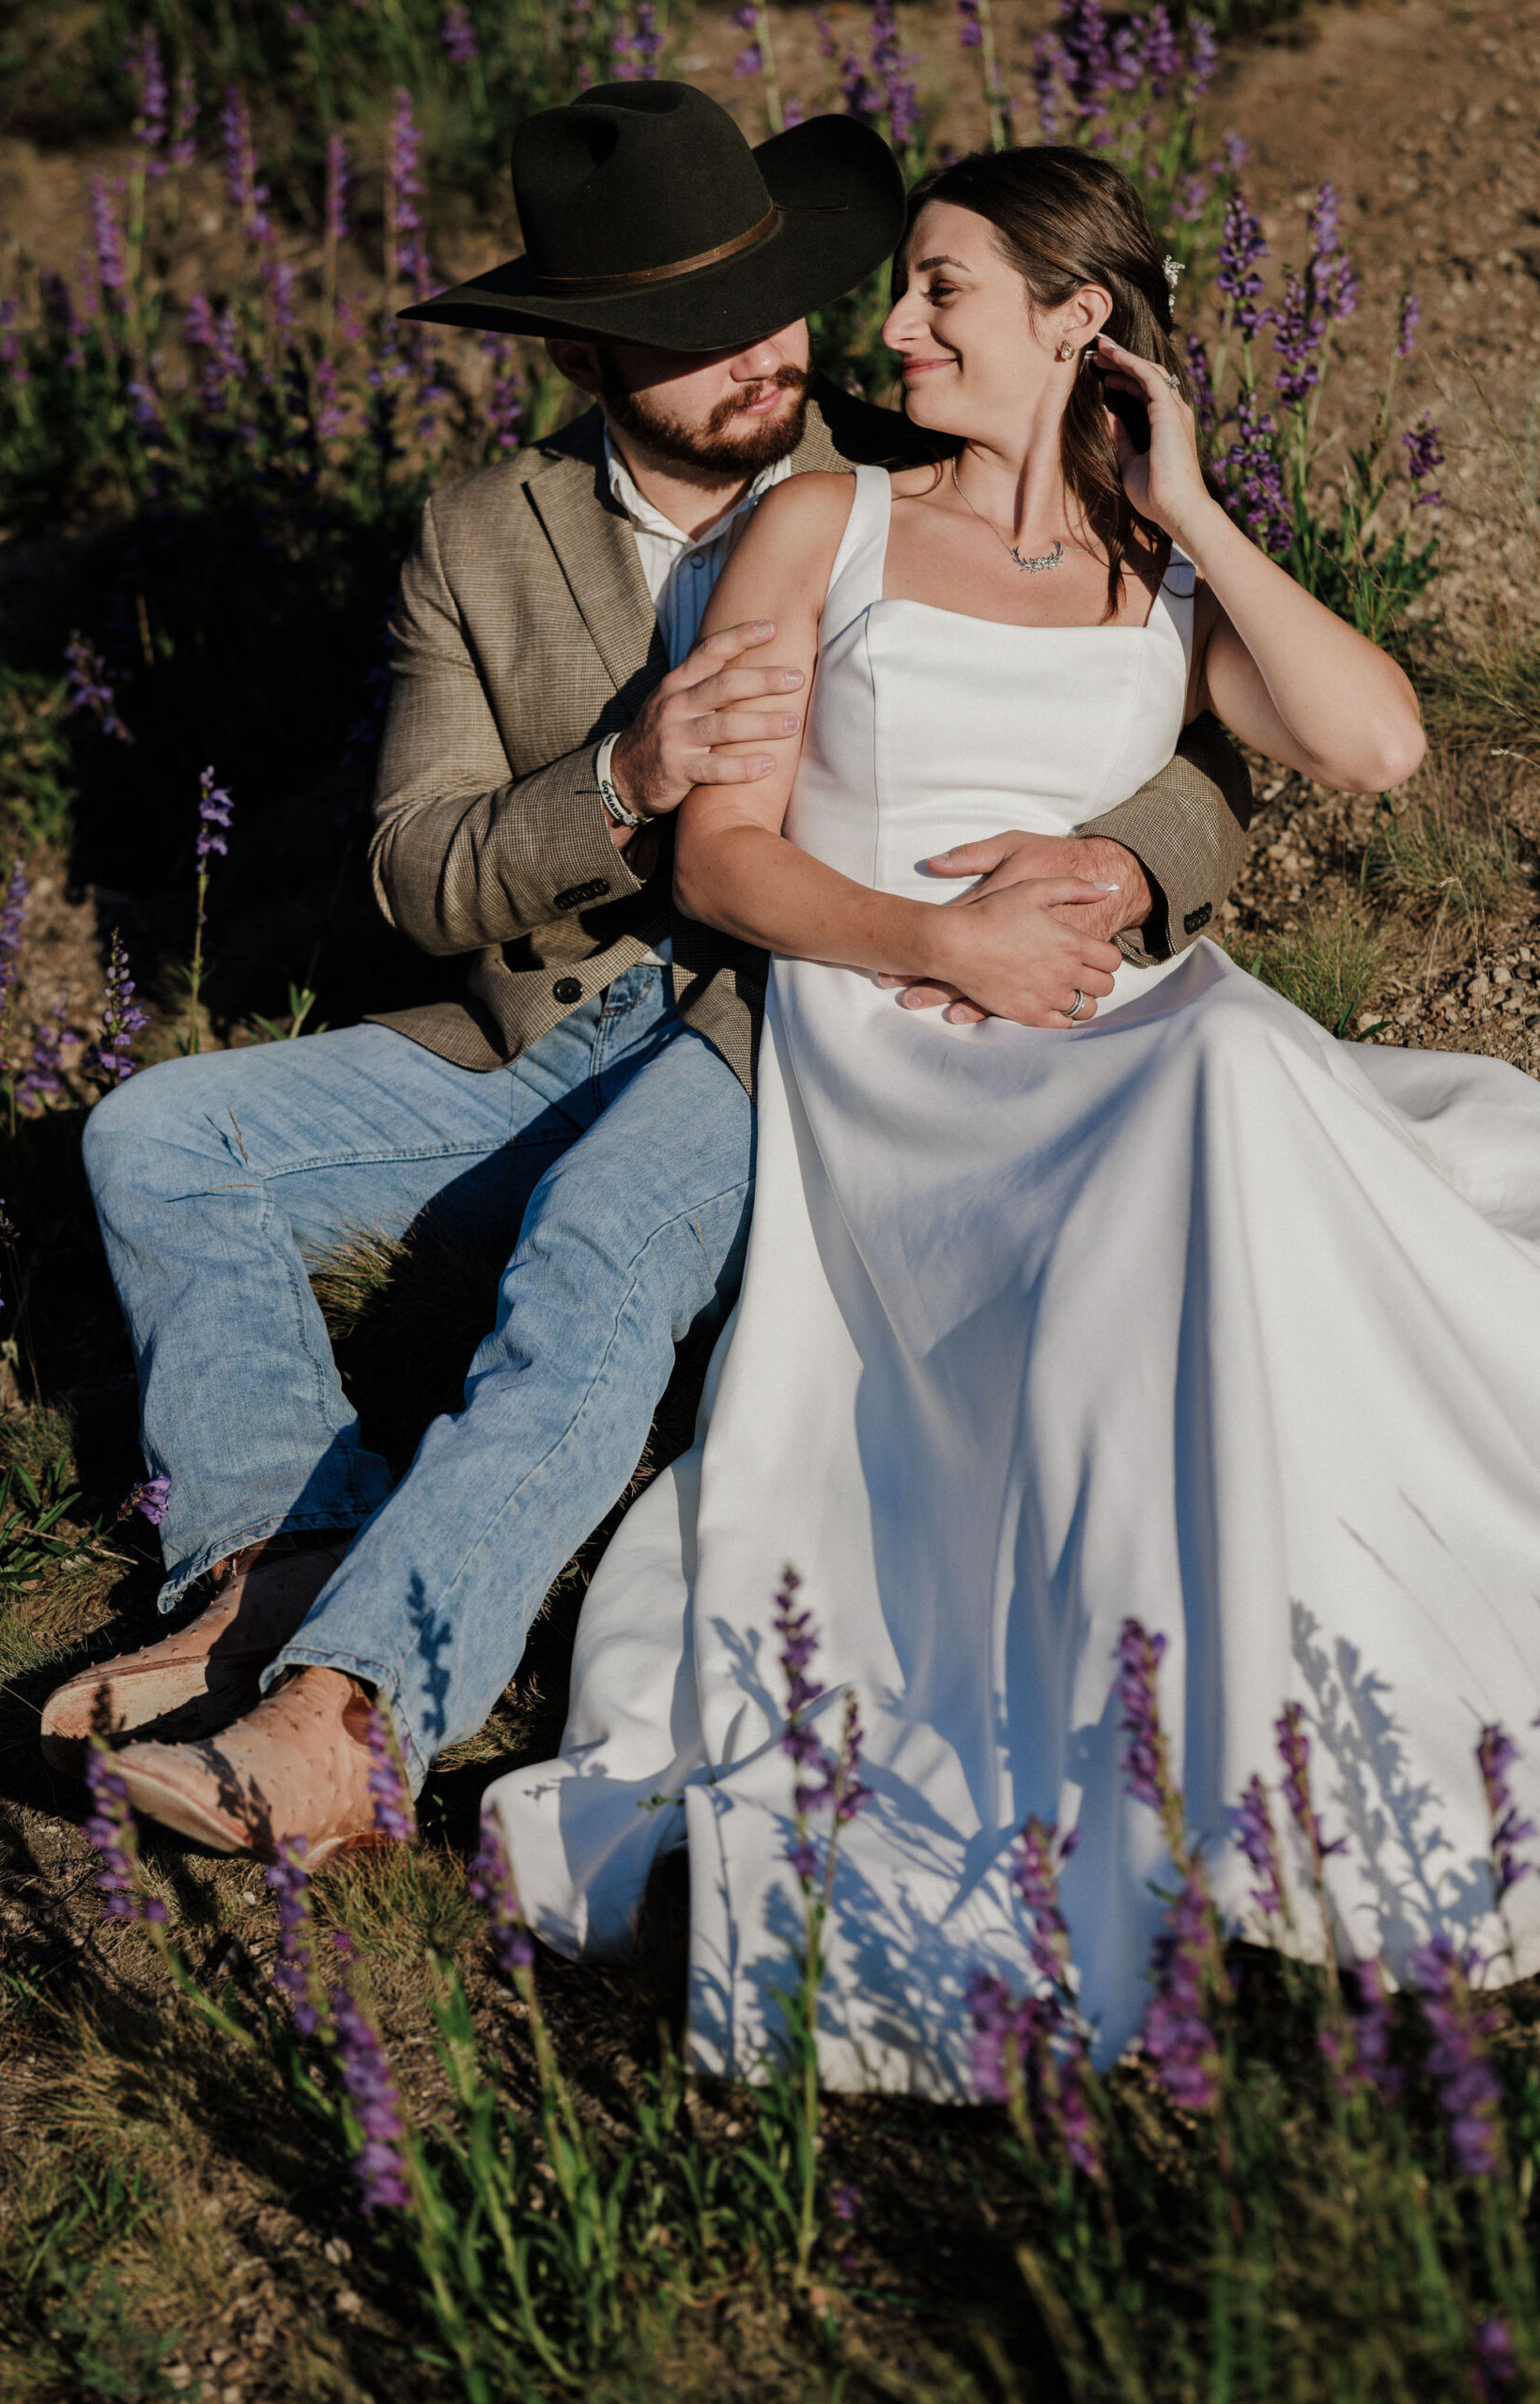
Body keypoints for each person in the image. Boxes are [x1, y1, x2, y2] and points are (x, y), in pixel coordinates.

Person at [43, 89, 1252, 1862]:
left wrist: (1128, 858)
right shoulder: (483, 535)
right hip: (532, 1027)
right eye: (693, 332)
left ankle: (362, 1711)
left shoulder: (919, 447)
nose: (766, 349)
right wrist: (617, 782)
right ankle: (277, 1549)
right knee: (154, 1140)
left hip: (795, 1020)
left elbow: (1181, 714)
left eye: (777, 298)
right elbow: (410, 866)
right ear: (590, 355)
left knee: (598, 1253)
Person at [486, 145, 1540, 2095]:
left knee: (1275, 1086)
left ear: (1075, 322)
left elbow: (1374, 745)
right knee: (1226, 1078)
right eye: (900, 289)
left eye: (941, 291)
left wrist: (1196, 507)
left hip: (1121, 1029)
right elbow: (721, 859)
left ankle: (1319, 1716)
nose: (891, 328)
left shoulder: (1154, 573)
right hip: (904, 1051)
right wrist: (941, 935)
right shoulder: (830, 519)